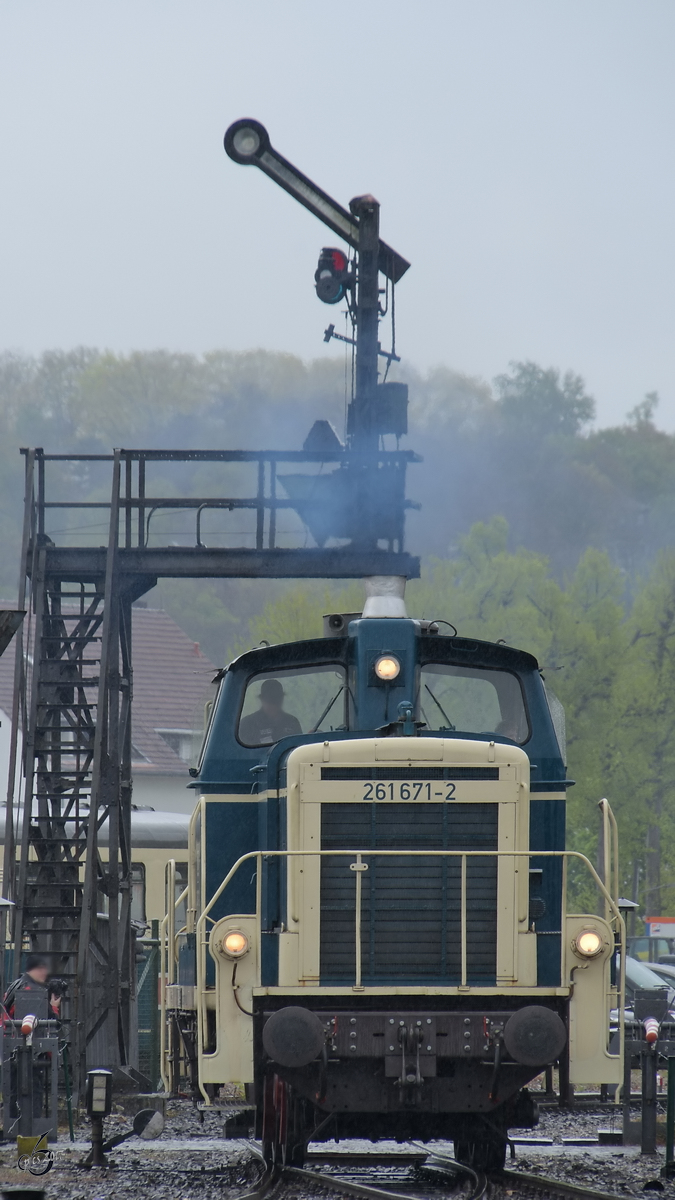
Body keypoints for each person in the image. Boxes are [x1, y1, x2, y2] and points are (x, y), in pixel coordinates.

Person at [239, 678, 302, 746]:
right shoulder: (248, 724)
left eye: (276, 699)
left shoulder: (292, 722)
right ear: (262, 699)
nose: (273, 704)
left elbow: (299, 746)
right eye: (270, 700)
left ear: (282, 699)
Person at [3, 954, 61, 1022]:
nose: (44, 972)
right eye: (40, 969)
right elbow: (48, 1021)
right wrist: (54, 1007)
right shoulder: (32, 991)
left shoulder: (17, 983)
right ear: (31, 969)